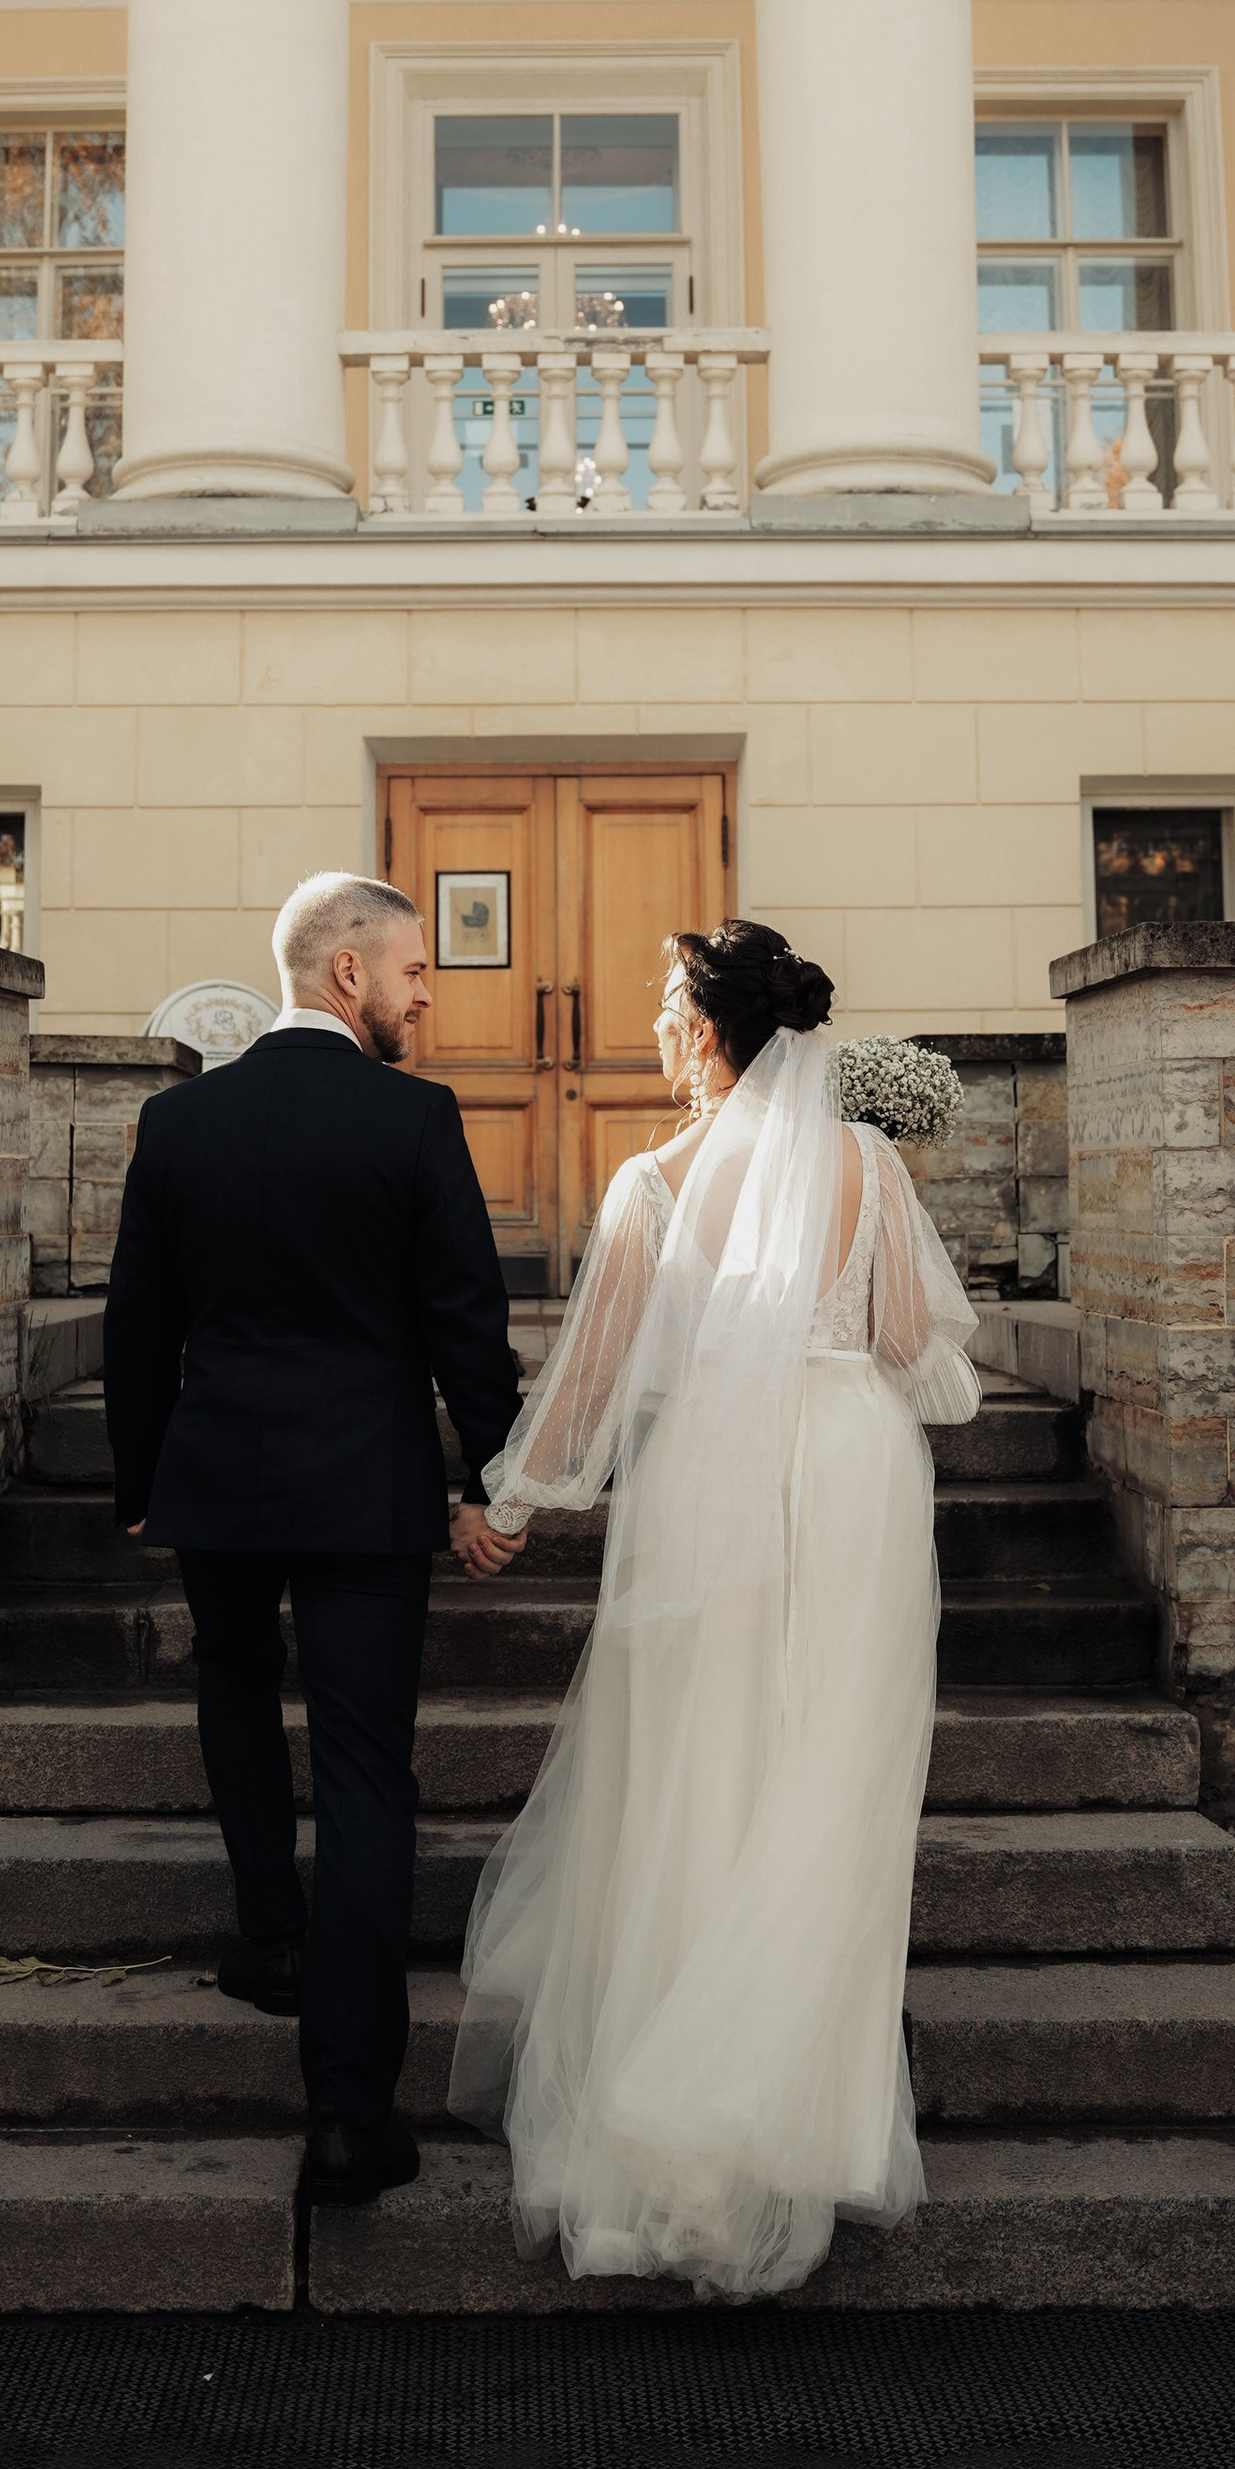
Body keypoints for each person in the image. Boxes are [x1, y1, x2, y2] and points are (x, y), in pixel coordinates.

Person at [449, 919, 981, 2299]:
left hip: (711, 1484)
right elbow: (925, 1352)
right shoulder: (868, 1161)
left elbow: (587, 1386)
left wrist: (508, 1499)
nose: (653, 1035)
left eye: (663, 1014)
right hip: (857, 1473)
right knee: (826, 1776)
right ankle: (804, 2117)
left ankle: (683, 2130)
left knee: (702, 1763)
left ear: (702, 1031)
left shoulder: (654, 1180)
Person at [103, 870, 525, 2208]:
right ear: (348, 972)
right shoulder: (412, 1119)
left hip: (216, 1478)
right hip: (366, 1491)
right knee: (361, 1773)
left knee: (232, 1694)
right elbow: (464, 1318)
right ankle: (348, 2110)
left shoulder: (179, 1124)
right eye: (412, 973)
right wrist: (496, 1477)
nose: (421, 998)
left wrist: (136, 1477)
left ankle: (271, 1939)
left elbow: (135, 1325)